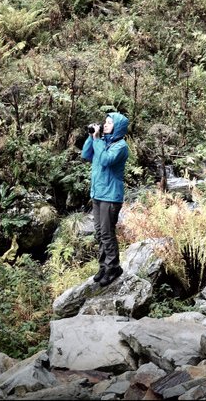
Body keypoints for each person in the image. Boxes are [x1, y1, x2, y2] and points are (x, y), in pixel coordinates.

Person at [81, 111, 129, 286]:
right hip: (98, 194)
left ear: (118, 128)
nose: (105, 125)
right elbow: (86, 154)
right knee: (100, 233)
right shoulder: (102, 141)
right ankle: (104, 266)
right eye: (105, 122)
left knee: (108, 234)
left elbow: (105, 160)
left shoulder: (121, 146)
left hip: (111, 196)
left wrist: (98, 140)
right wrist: (91, 137)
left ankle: (113, 267)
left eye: (109, 123)